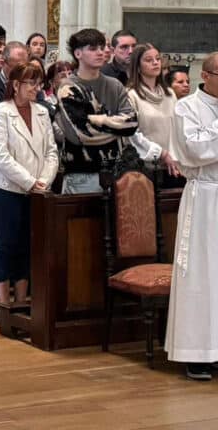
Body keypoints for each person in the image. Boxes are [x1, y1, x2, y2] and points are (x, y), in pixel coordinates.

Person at [164, 51, 218, 381]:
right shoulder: (186, 107)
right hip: (204, 197)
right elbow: (194, 152)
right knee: (200, 273)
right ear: (207, 75)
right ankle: (196, 352)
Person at [0, 61, 58, 304]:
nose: (36, 88)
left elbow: (51, 151)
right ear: (16, 85)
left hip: (37, 190)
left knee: (28, 243)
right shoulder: (0, 112)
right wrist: (28, 182)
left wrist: (44, 181)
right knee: (8, 243)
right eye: (31, 83)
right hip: (7, 190)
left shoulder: (42, 111)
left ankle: (22, 299)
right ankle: (5, 302)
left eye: (39, 83)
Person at [55, 28, 138, 194]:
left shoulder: (114, 85)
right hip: (82, 174)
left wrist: (97, 120)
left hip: (116, 171)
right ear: (78, 53)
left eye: (102, 47)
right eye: (93, 49)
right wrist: (116, 126)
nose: (101, 52)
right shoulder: (68, 87)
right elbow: (81, 134)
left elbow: (132, 123)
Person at [126, 43, 180, 183]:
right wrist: (161, 153)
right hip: (145, 168)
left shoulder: (170, 94)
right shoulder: (131, 96)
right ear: (137, 67)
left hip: (172, 165)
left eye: (157, 58)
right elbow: (132, 135)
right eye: (149, 60)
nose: (155, 62)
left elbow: (179, 128)